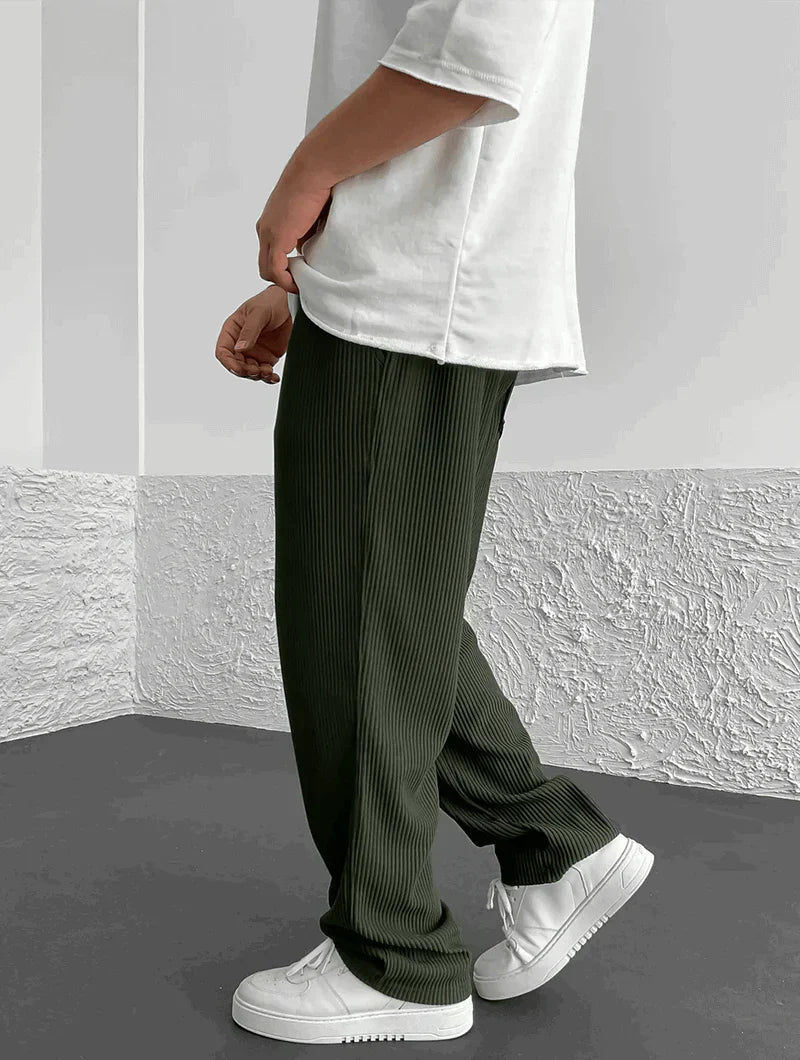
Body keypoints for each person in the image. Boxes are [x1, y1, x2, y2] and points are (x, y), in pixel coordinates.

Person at [215, 0, 653, 1046]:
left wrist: (301, 182)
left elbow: (481, 49)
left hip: (415, 289)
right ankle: (549, 846)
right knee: (385, 608)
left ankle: (395, 957)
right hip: (394, 280)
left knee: (353, 620)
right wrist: (315, 277)